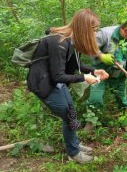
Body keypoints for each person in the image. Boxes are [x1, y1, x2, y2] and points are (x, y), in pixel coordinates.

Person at [26, 9, 112, 163]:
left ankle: (74, 145)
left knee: (71, 112)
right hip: (44, 83)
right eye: (93, 30)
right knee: (68, 115)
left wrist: (93, 70)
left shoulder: (73, 41)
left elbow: (75, 65)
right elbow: (57, 75)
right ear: (83, 28)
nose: (94, 34)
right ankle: (73, 153)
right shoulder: (58, 42)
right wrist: (84, 77)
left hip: (56, 82)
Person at [86, 20, 127, 132]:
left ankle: (123, 121)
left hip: (118, 75)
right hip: (100, 72)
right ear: (126, 30)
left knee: (122, 100)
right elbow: (89, 47)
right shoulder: (105, 33)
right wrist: (101, 56)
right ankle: (91, 122)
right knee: (95, 99)